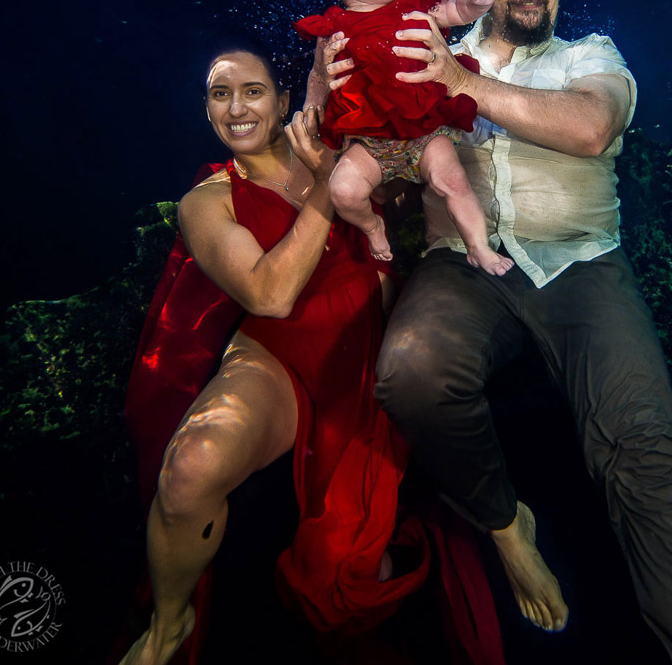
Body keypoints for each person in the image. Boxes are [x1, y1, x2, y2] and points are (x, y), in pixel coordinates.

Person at [344, 0, 672, 664]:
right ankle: (508, 528)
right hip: (462, 265)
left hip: (583, 267)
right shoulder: (436, 47)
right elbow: (367, 116)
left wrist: (463, 85)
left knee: (646, 454)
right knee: (408, 369)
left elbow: (594, 126)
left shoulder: (589, 55)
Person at [120, 46, 502, 665]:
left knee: (353, 565)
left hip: (369, 346)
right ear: (206, 109)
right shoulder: (208, 201)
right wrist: (329, 184)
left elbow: (410, 179)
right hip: (278, 354)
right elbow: (270, 296)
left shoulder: (340, 143)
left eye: (253, 91)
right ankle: (169, 621)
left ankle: (510, 543)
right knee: (189, 470)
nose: (238, 107)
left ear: (281, 102)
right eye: (220, 94)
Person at [294, 0, 513, 276]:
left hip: (425, 129)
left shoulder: (415, 8)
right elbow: (318, 74)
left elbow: (457, 11)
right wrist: (314, 101)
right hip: (369, 140)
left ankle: (479, 248)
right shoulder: (331, 31)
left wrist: (479, 3)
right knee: (343, 190)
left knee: (454, 182)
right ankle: (372, 226)